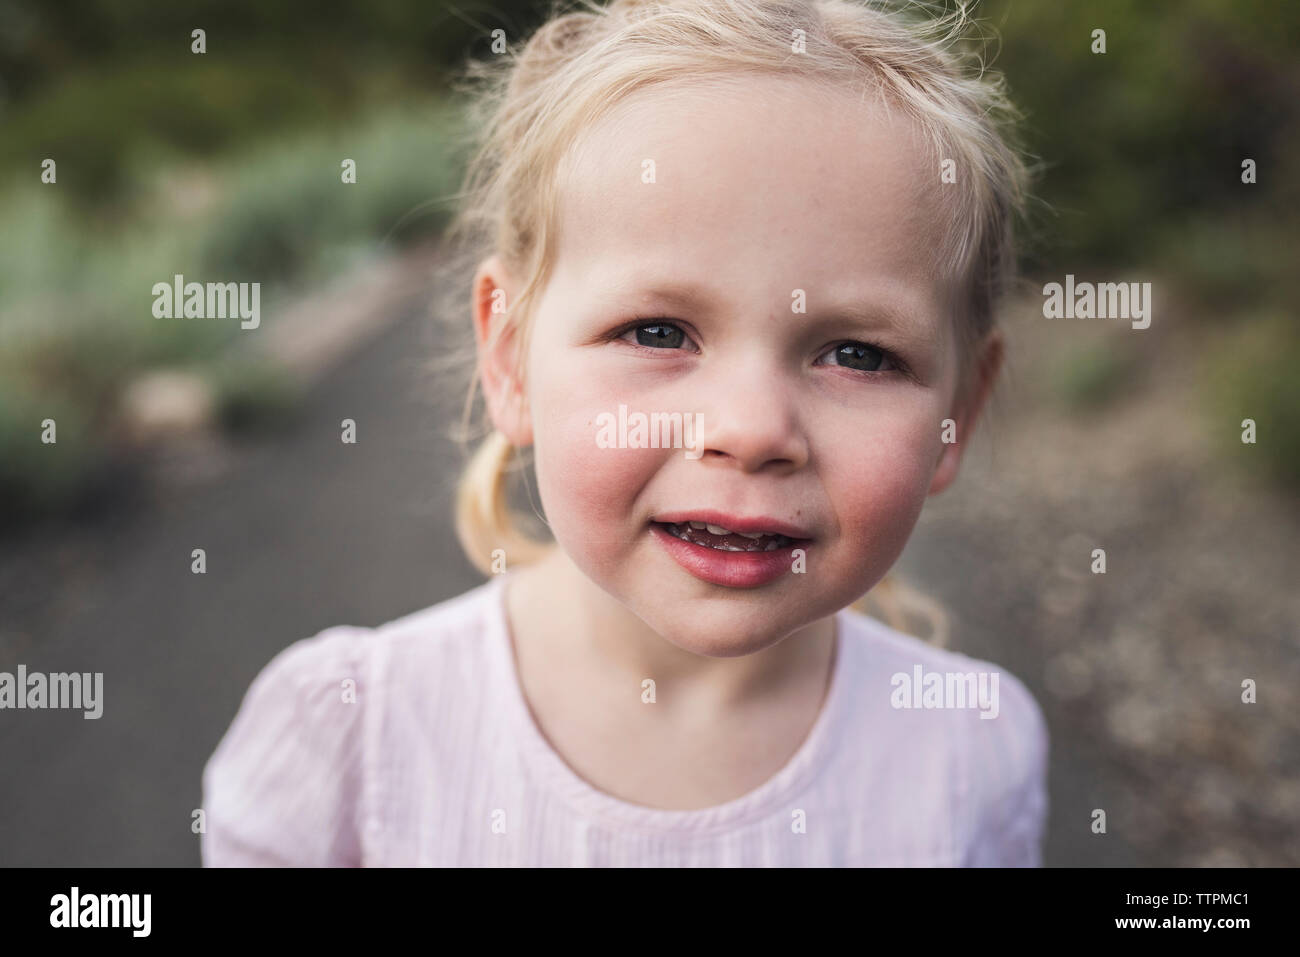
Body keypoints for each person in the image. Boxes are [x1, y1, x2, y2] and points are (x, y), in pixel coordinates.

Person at [201, 0, 1048, 866]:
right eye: (657, 332)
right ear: (510, 358)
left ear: (958, 415)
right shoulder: (351, 739)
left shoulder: (971, 754)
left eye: (857, 354)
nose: (751, 430)